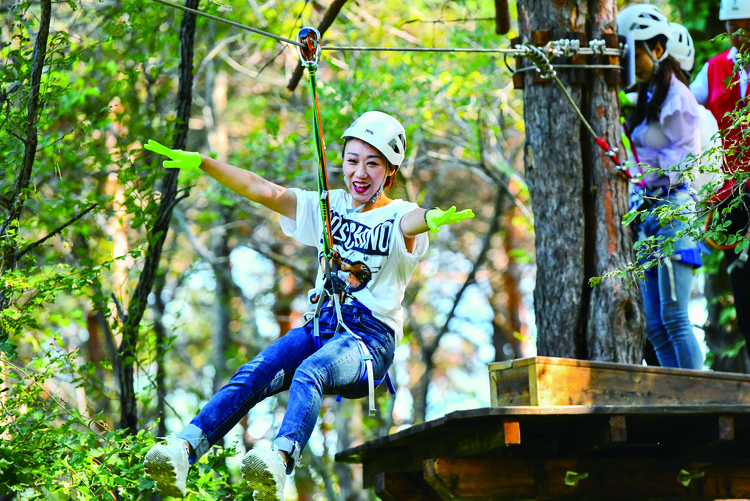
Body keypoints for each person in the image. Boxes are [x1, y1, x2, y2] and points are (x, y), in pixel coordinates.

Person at [140, 111, 474, 500]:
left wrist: (432, 218)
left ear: (390, 172)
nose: (360, 173)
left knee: (310, 372)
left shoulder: (398, 214)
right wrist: (203, 163)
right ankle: (184, 449)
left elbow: (413, 221)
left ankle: (281, 459)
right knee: (257, 371)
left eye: (373, 163)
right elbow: (262, 189)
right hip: (320, 326)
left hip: (368, 341)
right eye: (352, 161)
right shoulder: (326, 207)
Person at [617, 4, 704, 369]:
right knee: (654, 325)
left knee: (674, 318)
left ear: (656, 49)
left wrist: (640, 166)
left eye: (635, 53)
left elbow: (686, 160)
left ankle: (702, 398)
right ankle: (678, 396)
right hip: (649, 211)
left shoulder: (678, 97)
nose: (631, 61)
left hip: (673, 209)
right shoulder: (648, 97)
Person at [690, 0, 750, 347]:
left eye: (745, 27)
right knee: (744, 292)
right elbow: (686, 108)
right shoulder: (714, 69)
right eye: (732, 28)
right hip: (731, 200)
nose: (738, 36)